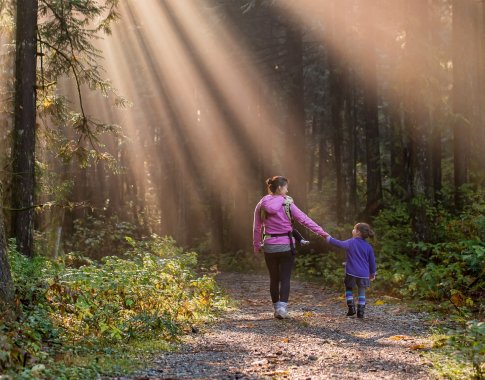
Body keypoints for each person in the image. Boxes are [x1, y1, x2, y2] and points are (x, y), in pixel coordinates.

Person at [253, 176, 329, 319]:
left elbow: (257, 227)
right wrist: (322, 233)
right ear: (280, 188)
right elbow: (305, 220)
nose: (287, 190)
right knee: (285, 278)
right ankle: (283, 309)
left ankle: (276, 309)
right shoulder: (287, 203)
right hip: (286, 246)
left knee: (274, 278)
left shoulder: (261, 204)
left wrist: (257, 245)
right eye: (286, 187)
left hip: (269, 246)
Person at [326, 223, 376, 318]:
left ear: (357, 232)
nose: (352, 230)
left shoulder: (351, 242)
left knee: (349, 288)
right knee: (362, 291)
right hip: (364, 274)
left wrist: (329, 239)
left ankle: (351, 308)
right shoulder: (369, 247)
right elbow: (372, 261)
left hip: (351, 272)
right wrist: (372, 273)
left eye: (354, 229)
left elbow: (339, 244)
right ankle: (361, 312)